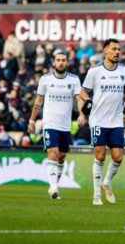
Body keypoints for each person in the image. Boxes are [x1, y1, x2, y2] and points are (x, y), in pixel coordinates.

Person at [77, 38, 125, 205]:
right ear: (105, 51)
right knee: (100, 155)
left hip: (116, 120)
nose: (117, 52)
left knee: (118, 157)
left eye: (118, 49)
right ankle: (96, 195)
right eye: (114, 49)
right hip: (98, 119)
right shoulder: (95, 71)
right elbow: (83, 92)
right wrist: (83, 109)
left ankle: (106, 183)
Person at [28, 52, 81, 199]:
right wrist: (32, 121)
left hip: (65, 125)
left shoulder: (74, 80)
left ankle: (53, 186)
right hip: (50, 123)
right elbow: (38, 101)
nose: (61, 63)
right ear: (54, 62)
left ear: (67, 63)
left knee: (62, 157)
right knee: (53, 152)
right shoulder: (45, 79)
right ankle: (54, 186)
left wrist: (83, 114)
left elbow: (79, 100)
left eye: (63, 60)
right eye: (58, 60)